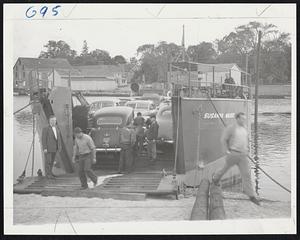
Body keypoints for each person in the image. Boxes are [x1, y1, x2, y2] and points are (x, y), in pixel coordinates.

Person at [212, 112, 260, 205]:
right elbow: (224, 139)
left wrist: (247, 150)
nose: (243, 120)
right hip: (233, 154)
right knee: (224, 169)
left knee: (246, 175)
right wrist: (226, 151)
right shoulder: (231, 128)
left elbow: (246, 141)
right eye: (242, 118)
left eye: (244, 118)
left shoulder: (245, 128)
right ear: (237, 119)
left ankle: (251, 196)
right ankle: (215, 179)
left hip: (243, 155)